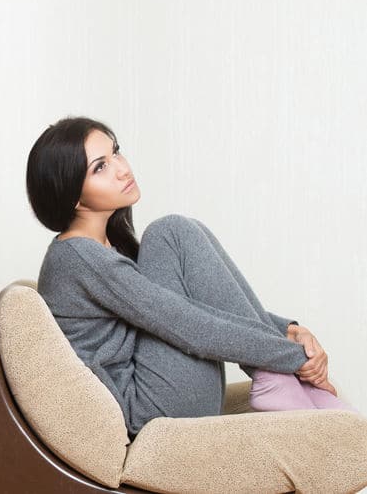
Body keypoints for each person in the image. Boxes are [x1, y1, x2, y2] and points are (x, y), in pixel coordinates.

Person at [26, 116, 354, 437]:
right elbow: (185, 323)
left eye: (116, 152)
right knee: (170, 231)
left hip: (162, 393)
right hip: (148, 409)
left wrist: (288, 330)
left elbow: (191, 304)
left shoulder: (105, 246)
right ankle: (275, 379)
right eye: (100, 167)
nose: (122, 168)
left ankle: (276, 379)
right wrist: (292, 359)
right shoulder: (79, 256)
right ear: (73, 196)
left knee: (176, 232)